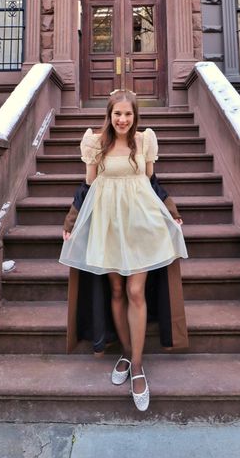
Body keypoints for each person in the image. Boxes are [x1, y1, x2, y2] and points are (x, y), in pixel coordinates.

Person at [59, 89, 188, 412]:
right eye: (117, 114)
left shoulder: (144, 142)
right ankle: (128, 353)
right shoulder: (95, 144)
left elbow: (152, 181)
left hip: (140, 223)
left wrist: (171, 210)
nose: (122, 119)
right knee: (115, 290)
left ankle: (139, 365)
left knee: (135, 292)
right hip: (108, 224)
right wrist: (72, 220)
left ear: (135, 117)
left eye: (128, 114)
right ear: (109, 114)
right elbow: (88, 185)